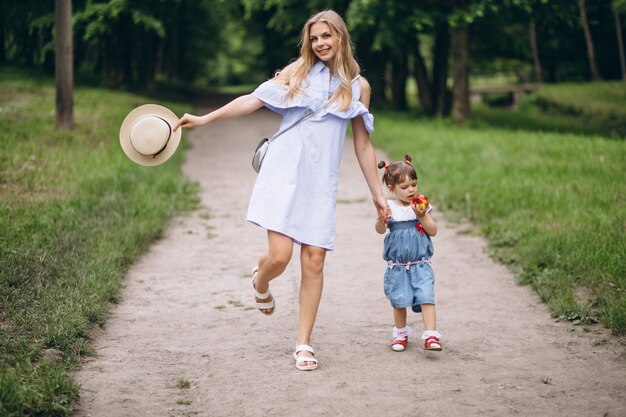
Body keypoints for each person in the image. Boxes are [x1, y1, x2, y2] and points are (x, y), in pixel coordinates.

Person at [174, 10, 387, 371]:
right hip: (283, 171)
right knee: (279, 257)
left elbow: (363, 145)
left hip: (320, 181)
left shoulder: (359, 86)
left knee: (315, 260)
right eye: (314, 37)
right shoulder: (297, 72)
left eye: (326, 36)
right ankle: (261, 279)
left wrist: (377, 194)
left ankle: (303, 343)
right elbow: (251, 101)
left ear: (341, 38)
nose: (320, 43)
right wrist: (205, 119)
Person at [375, 155, 442, 352]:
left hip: (421, 264)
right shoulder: (390, 208)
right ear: (391, 188)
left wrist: (422, 216)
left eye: (414, 184)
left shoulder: (420, 206)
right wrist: (381, 219)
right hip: (397, 266)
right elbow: (379, 230)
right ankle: (401, 333)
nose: (411, 190)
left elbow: (433, 230)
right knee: (399, 300)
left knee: (426, 297)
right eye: (404, 187)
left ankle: (431, 336)